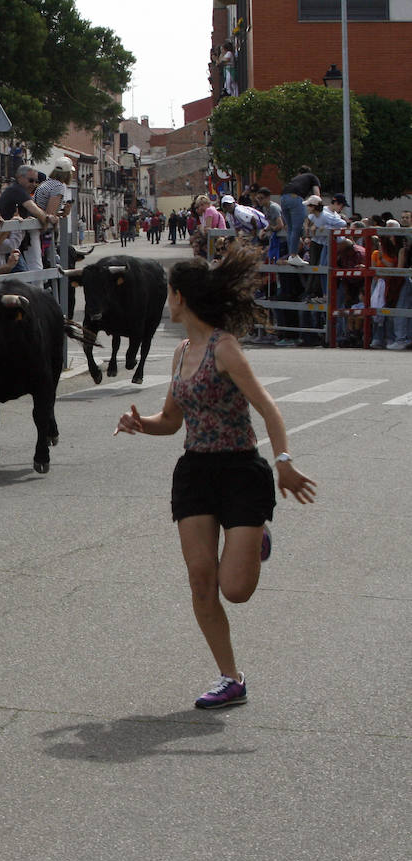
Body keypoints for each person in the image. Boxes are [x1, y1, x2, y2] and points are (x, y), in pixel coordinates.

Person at [115, 246, 316, 709]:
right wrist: (139, 423)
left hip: (240, 470)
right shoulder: (182, 353)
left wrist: (284, 460)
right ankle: (230, 677)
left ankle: (256, 536)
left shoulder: (225, 348)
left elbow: (267, 408)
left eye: (169, 294)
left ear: (181, 297)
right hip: (195, 473)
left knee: (236, 589)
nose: (167, 302)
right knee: (202, 581)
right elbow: (170, 421)